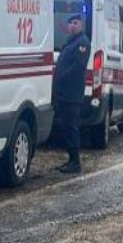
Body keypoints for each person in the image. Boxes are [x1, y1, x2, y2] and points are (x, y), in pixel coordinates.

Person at [51, 13, 90, 173]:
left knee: (71, 126)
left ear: (81, 25)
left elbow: (78, 67)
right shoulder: (70, 42)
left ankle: (75, 162)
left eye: (76, 23)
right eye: (70, 23)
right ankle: (71, 159)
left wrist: (61, 77)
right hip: (63, 92)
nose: (72, 25)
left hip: (72, 93)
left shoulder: (82, 43)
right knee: (66, 126)